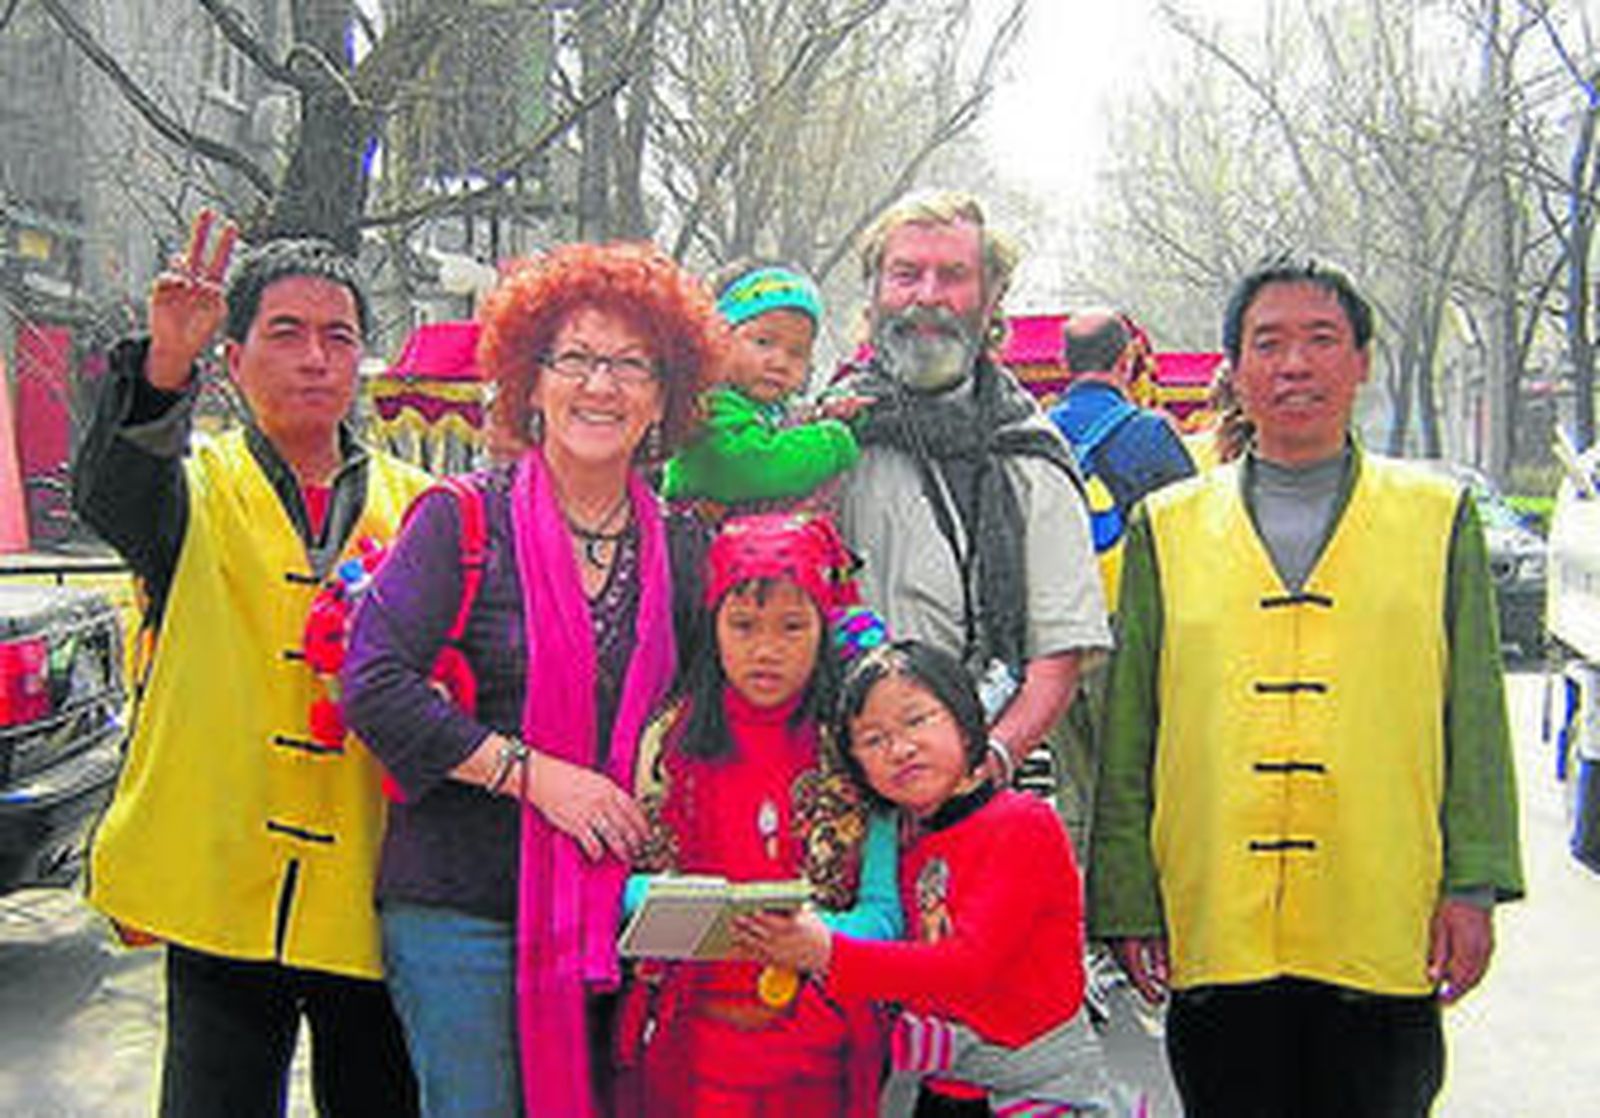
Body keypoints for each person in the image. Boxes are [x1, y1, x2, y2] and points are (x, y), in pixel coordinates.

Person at [1088, 256, 1526, 1117]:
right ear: (1235, 369)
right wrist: (1128, 898)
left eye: (1321, 340)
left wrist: (1471, 886)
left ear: (1361, 360)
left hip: (1382, 908)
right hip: (1215, 915)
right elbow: (1129, 727)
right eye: (1269, 343)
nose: (1295, 365)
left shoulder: (1437, 519)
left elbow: (1472, 714)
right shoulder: (1168, 529)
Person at [340, 242, 721, 1118]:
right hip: (463, 911)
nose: (602, 386)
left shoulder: (686, 548)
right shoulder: (459, 519)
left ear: (664, 396)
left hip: (625, 913)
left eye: (632, 365)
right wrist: (536, 777)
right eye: (578, 359)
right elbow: (374, 685)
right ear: (532, 378)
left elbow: (712, 717)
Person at [72, 212, 427, 1117]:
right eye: (286, 333)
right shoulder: (193, 488)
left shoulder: (425, 511)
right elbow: (113, 494)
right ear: (234, 360)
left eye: (337, 337)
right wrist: (161, 368)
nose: (315, 357)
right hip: (223, 882)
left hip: (372, 884)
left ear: (361, 365)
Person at [735, 640, 1129, 1118]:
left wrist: (826, 953)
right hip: (951, 1089)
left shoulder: (1022, 824)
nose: (900, 748)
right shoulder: (914, 846)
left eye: (917, 720)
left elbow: (966, 968)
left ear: (966, 722)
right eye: (873, 740)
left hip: (1039, 1096)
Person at [831, 189, 1110, 815]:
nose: (927, 295)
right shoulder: (820, 443)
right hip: (829, 792)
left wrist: (981, 769)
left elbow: (1055, 658)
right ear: (874, 293)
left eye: (953, 276)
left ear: (991, 299)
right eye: (906, 274)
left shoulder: (1031, 456)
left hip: (976, 795)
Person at [621, 511, 900, 1118]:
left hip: (821, 1048)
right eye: (743, 625)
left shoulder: (857, 745)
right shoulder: (667, 741)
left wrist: (814, 941)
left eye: (792, 627)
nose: (766, 649)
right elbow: (619, 887)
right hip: (690, 1047)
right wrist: (696, 903)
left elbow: (884, 915)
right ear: (712, 626)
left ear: (824, 629)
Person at [659, 259, 860, 514]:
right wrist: (833, 442)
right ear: (719, 338)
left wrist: (836, 414)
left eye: (797, 353)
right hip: (702, 548)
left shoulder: (772, 407)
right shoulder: (708, 405)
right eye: (764, 342)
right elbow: (750, 466)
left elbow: (798, 423)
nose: (780, 362)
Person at [1047, 309, 1195, 600]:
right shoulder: (1154, 434)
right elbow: (1189, 532)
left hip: (1057, 617)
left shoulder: (1034, 434)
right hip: (1136, 612)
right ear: (1126, 362)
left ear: (1063, 364)